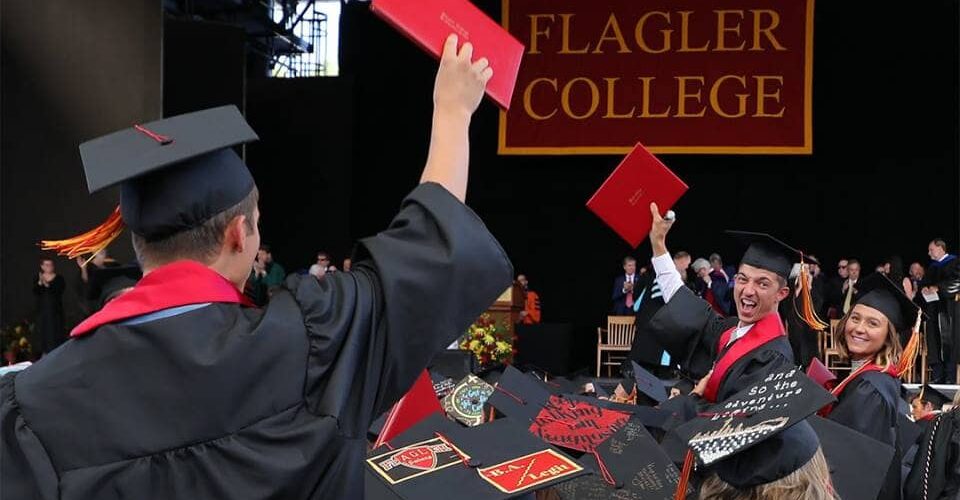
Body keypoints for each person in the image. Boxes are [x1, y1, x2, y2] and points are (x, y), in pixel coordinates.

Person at [2, 35, 512, 499]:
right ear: (239, 234)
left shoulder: (33, 405)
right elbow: (426, 256)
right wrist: (452, 112)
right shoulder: (310, 344)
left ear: (139, 243)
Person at [645, 205, 812, 405]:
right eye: (743, 279)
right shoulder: (730, 330)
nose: (748, 290)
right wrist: (658, 244)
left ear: (781, 294)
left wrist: (691, 399)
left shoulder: (772, 358)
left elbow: (738, 418)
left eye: (762, 283)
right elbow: (683, 302)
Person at [819, 273, 922, 500]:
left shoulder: (870, 388)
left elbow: (843, 455)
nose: (859, 328)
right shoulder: (876, 377)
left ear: (888, 336)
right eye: (855, 318)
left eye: (872, 323)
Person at [33, 258, 66, 356]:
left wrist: (46, 284)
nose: (49, 267)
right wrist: (40, 283)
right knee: (43, 332)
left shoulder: (59, 278)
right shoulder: (38, 278)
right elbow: (36, 292)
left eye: (51, 265)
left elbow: (59, 291)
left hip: (55, 312)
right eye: (47, 265)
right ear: (42, 266)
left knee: (55, 332)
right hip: (42, 312)